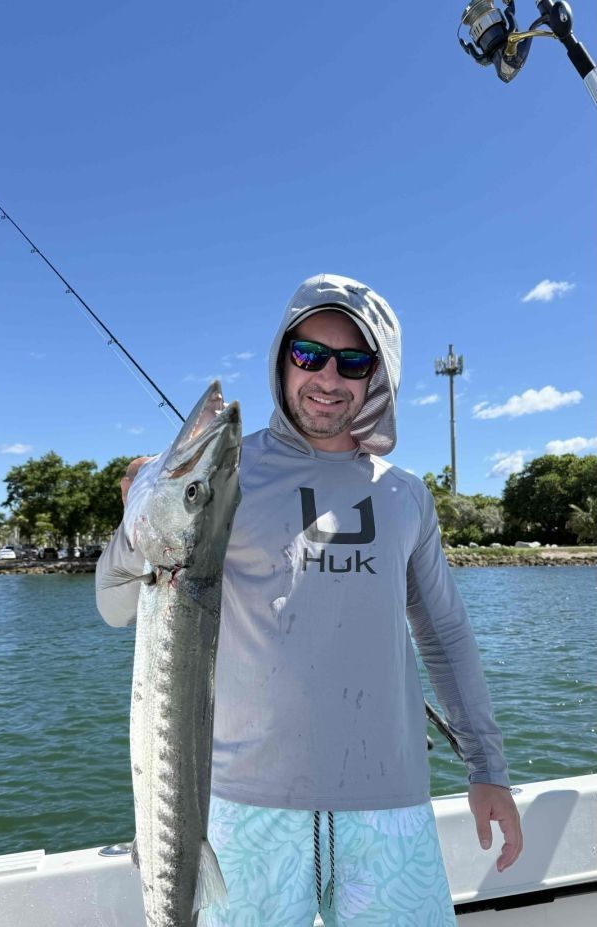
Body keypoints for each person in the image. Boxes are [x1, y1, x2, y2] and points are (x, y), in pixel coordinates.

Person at [96, 273, 523, 926]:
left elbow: (445, 634)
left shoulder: (406, 494)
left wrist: (487, 766)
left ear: (378, 375)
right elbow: (114, 604)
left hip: (390, 808)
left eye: (352, 361)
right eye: (309, 353)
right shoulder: (225, 473)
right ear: (281, 357)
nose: (328, 376)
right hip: (243, 808)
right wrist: (138, 521)